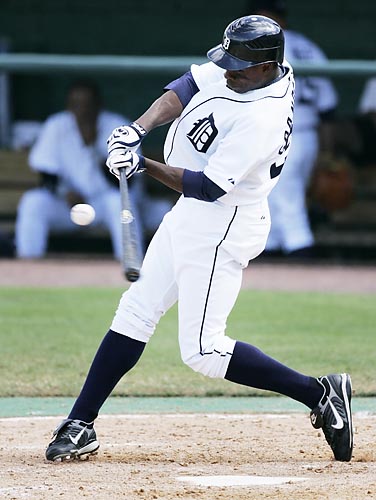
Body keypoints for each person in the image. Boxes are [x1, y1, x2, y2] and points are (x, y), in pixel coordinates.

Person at [45, 16, 353, 463]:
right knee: (135, 311)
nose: (229, 71)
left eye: (240, 66)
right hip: (192, 216)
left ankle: (319, 395)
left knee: (204, 351)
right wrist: (136, 130)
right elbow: (188, 84)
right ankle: (81, 423)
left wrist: (142, 164)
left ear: (267, 67)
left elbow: (209, 186)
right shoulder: (251, 72)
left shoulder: (261, 116)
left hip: (221, 223)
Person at [15, 80, 170, 260]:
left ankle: (131, 265)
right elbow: (46, 174)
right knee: (33, 202)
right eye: (76, 105)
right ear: (69, 107)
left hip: (106, 204)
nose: (83, 111)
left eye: (88, 105)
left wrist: (94, 148)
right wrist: (64, 192)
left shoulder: (117, 126)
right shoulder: (57, 125)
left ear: (98, 105)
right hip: (70, 206)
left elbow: (125, 181)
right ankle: (28, 264)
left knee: (117, 203)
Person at [246, 0, 338, 258]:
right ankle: (274, 257)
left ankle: (303, 256)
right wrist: (325, 150)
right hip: (307, 135)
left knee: (287, 203)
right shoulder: (309, 47)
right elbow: (329, 106)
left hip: (286, 135)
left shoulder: (265, 46)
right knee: (271, 202)